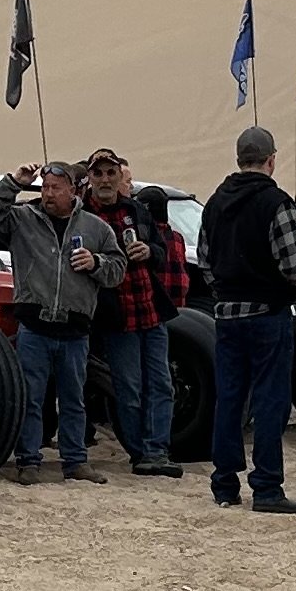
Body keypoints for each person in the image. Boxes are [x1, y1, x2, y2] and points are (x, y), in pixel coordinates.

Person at [0, 159, 119, 483]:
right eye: (45, 188)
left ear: (73, 191)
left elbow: (117, 270)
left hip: (74, 329)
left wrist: (96, 262)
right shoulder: (22, 219)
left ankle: (75, 461)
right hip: (34, 327)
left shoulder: (95, 228)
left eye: (56, 188)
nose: (48, 194)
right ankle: (28, 461)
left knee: (73, 400)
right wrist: (14, 182)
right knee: (31, 398)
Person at [196, 123, 296, 513]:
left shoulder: (214, 203)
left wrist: (225, 290)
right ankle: (266, 487)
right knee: (270, 400)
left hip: (227, 315)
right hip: (267, 314)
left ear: (238, 159)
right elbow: (292, 260)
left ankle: (224, 484)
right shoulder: (275, 202)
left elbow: (205, 260)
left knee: (229, 399)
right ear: (271, 160)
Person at [80, 150, 193, 476]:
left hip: (150, 310)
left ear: (120, 176)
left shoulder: (136, 210)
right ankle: (140, 453)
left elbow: (160, 251)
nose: (105, 180)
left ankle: (157, 449)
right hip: (116, 316)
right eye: (98, 173)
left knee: (162, 384)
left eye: (110, 173)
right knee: (128, 389)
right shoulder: (82, 215)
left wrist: (149, 251)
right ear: (90, 178)